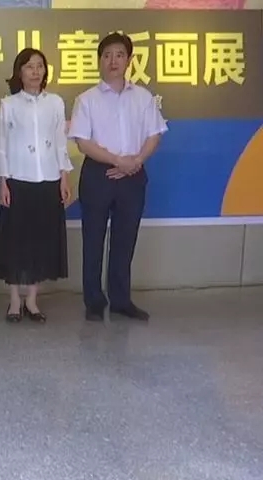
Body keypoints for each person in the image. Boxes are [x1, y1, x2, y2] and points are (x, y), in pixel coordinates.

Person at [68, 32, 166, 322]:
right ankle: (94, 302)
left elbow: (154, 134)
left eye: (120, 55)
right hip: (99, 173)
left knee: (125, 240)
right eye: (107, 55)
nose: (113, 60)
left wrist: (136, 161)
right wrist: (117, 161)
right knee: (93, 240)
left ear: (129, 60)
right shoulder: (86, 99)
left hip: (133, 173)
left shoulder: (143, 97)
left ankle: (121, 300)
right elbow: (83, 142)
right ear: (99, 60)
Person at [0, 48, 71, 322]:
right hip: (18, 181)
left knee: (41, 242)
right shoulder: (9, 104)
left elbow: (60, 142)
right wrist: (3, 183)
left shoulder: (55, 102)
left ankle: (32, 301)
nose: (35, 72)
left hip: (48, 180)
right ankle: (14, 301)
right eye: (29, 66)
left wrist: (64, 178)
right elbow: (3, 145)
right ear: (19, 72)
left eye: (39, 66)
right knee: (15, 242)